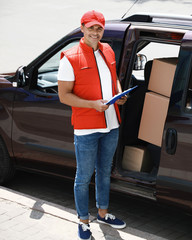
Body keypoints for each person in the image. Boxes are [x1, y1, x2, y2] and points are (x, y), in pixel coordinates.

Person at [57, 10, 126, 240]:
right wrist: (91, 105)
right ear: (82, 28)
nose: (95, 32)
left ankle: (103, 213)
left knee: (104, 172)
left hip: (111, 124)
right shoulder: (70, 57)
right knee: (84, 177)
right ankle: (83, 221)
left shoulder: (107, 49)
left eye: (99, 28)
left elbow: (113, 76)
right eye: (91, 28)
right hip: (86, 128)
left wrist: (118, 92)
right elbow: (64, 96)